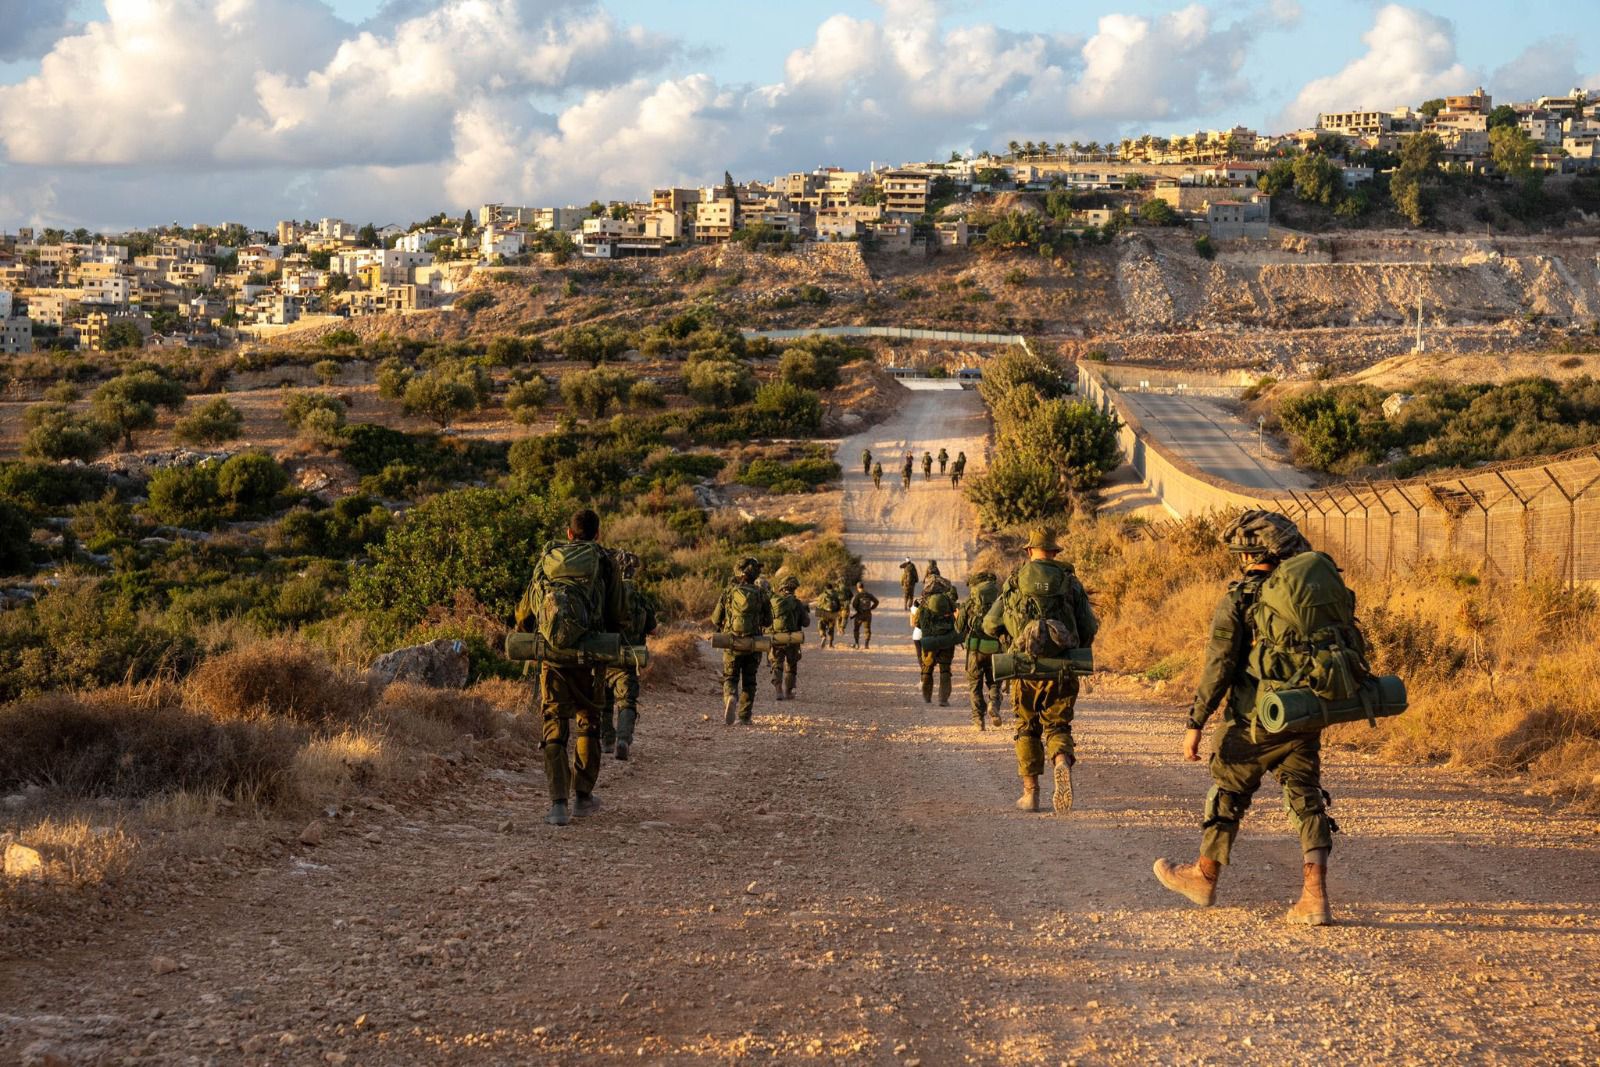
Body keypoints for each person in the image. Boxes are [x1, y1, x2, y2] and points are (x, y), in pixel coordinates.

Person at [1153, 511, 1341, 926]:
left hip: (1257, 717)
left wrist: (1196, 722)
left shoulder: (1240, 598)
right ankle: (1315, 896)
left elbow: (1219, 666)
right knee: (1306, 796)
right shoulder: (1313, 591)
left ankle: (1203, 876)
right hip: (1306, 710)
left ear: (1249, 553)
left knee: (1228, 791)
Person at [514, 507, 624, 827]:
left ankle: (558, 804)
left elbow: (525, 611)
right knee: (589, 722)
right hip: (591, 656)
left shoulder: (548, 559)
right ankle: (583, 798)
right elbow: (619, 612)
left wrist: (531, 635)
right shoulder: (604, 561)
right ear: (597, 534)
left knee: (554, 725)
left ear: (569, 534)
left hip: (553, 656)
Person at [983, 528, 1097, 816]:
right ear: (1055, 552)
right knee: (1058, 726)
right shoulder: (1070, 582)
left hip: (1024, 669)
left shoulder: (1015, 582)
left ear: (1029, 551)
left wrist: (1011, 637)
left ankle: (1030, 794)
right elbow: (1089, 627)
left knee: (1026, 728)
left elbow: (990, 625)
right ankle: (1060, 760)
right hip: (1063, 670)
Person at [601, 549, 656, 762]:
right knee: (627, 702)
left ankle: (606, 741)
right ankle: (622, 739)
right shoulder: (639, 596)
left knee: (603, 702)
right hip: (628, 659)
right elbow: (653, 629)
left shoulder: (604, 592)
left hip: (603, 656)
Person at [711, 557, 773, 725]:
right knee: (749, 680)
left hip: (732, 643)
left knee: (730, 677)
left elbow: (716, 619)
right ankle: (745, 717)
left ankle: (731, 696)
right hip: (753, 644)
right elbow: (768, 621)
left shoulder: (728, 591)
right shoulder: (761, 593)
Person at [956, 569, 1005, 730]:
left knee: (975, 686)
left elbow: (959, 628)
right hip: (995, 648)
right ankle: (994, 705)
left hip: (975, 650)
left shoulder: (970, 602)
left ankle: (978, 720)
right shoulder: (1000, 601)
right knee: (995, 683)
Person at [914, 574, 959, 706]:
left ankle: (927, 697)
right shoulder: (947, 599)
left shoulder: (924, 602)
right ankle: (943, 699)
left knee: (927, 668)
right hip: (946, 640)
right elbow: (956, 614)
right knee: (945, 670)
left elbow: (917, 623)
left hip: (929, 641)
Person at [767, 575, 810, 700]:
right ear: (794, 588)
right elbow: (806, 623)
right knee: (791, 665)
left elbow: (767, 620)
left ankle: (778, 690)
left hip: (777, 638)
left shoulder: (774, 602)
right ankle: (788, 692)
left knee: (776, 664)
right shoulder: (797, 603)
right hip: (792, 639)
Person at [850, 581, 880, 649]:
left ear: (857, 588)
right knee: (867, 629)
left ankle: (857, 643)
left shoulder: (858, 595)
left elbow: (854, 605)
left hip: (859, 615)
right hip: (868, 614)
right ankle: (866, 644)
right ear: (863, 587)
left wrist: (858, 610)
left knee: (856, 629)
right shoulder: (869, 594)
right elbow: (877, 602)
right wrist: (872, 608)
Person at [814, 581, 842, 648]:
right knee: (831, 628)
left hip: (824, 613)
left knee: (821, 626)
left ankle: (823, 636)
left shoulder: (822, 595)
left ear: (825, 588)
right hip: (832, 614)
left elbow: (818, 605)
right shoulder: (835, 594)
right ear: (831, 588)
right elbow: (839, 605)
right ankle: (830, 644)